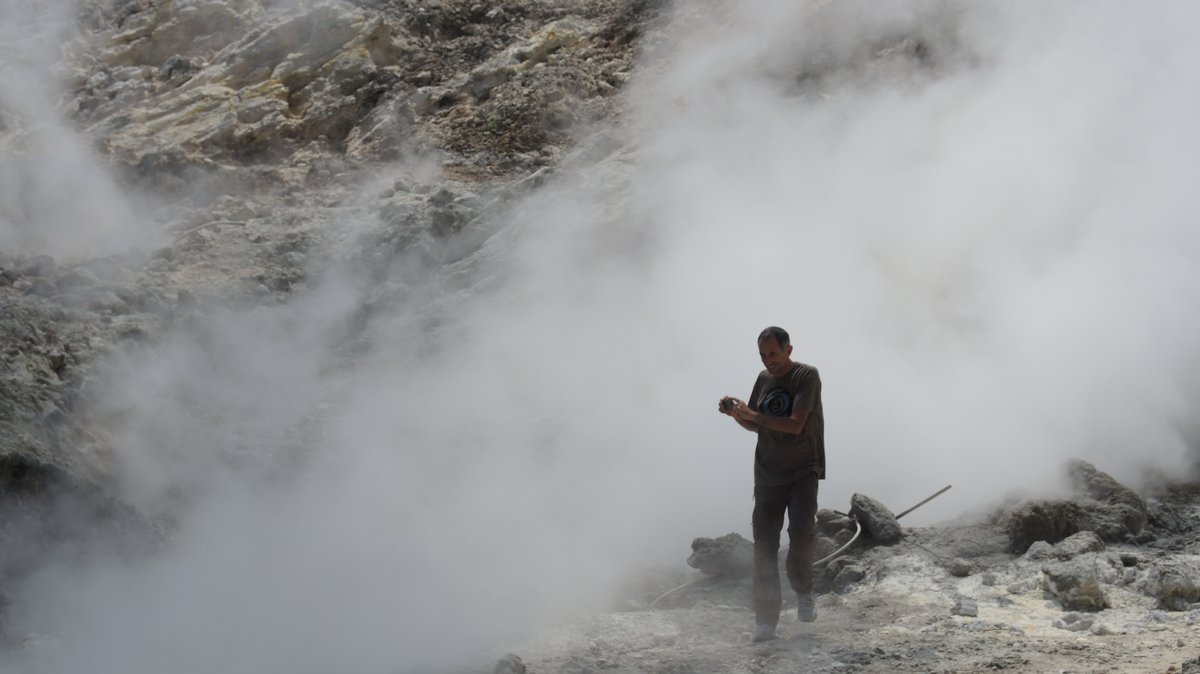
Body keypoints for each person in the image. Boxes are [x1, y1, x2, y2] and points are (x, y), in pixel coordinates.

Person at [719, 326, 825, 643]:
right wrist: (737, 413)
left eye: (774, 354)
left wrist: (753, 414)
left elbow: (795, 425)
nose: (768, 361)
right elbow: (756, 423)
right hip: (767, 474)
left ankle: (804, 591)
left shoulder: (806, 376)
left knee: (801, 533)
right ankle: (765, 621)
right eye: (763, 355)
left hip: (802, 469)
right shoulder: (764, 379)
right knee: (764, 546)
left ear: (788, 350)